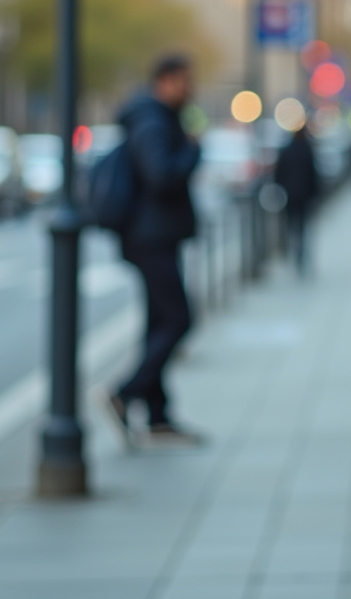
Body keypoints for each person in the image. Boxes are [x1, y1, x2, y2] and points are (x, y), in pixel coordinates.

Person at [106, 54, 203, 446]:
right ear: (165, 81)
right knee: (179, 319)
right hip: (151, 237)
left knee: (157, 324)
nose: (189, 89)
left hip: (153, 235)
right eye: (184, 81)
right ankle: (125, 392)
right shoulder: (152, 120)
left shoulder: (153, 117)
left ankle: (158, 415)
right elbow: (161, 175)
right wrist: (193, 152)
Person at [273, 126, 320, 274]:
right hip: (305, 195)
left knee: (290, 224)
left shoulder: (286, 150)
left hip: (289, 195)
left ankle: (292, 251)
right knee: (302, 226)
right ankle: (300, 253)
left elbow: (278, 174)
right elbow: (313, 174)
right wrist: (315, 194)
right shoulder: (307, 150)